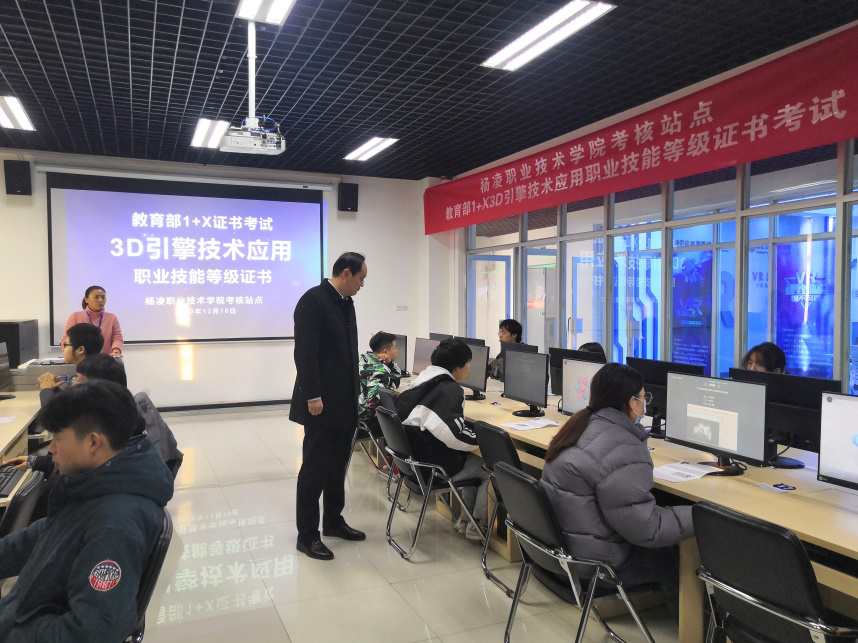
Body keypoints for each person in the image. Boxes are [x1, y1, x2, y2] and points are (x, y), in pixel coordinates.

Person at [0, 380, 174, 641]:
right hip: (21, 614)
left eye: (58, 438)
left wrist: (15, 635)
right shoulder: (95, 485)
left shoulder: (114, 525)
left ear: (93, 442)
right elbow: (40, 537)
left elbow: (93, 630)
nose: (51, 449)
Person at [540, 363, 693, 618]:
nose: (644, 403)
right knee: (672, 557)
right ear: (632, 403)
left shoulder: (579, 426)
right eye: (643, 397)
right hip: (594, 564)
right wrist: (700, 516)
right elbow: (648, 530)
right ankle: (692, 628)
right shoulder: (624, 447)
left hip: (556, 553)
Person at [291, 251, 368, 561]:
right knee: (315, 469)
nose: (362, 284)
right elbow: (305, 353)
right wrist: (312, 396)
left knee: (338, 466)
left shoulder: (346, 303)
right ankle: (307, 535)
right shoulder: (313, 301)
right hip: (320, 403)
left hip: (344, 402)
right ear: (346, 273)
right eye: (361, 278)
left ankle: (333, 521)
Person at [396, 338, 489, 541]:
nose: (470, 367)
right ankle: (477, 525)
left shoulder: (422, 382)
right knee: (489, 467)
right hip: (432, 469)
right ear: (456, 367)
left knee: (473, 458)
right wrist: (484, 440)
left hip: (412, 464)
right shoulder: (448, 390)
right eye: (467, 363)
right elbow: (454, 436)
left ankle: (465, 520)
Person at [37, 323, 104, 402]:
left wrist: (45, 390)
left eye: (65, 344)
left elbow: (54, 410)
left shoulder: (86, 380)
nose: (63, 348)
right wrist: (54, 388)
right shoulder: (86, 373)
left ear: (80, 350)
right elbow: (68, 401)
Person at [359, 331, 402, 437]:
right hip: (365, 423)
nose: (397, 351)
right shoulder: (380, 368)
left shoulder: (364, 359)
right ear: (385, 351)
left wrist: (389, 364)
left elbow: (394, 383)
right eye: (395, 348)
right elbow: (373, 400)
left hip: (352, 418)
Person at [62, 285, 123, 356]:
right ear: (86, 300)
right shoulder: (75, 316)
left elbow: (117, 337)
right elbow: (66, 339)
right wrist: (69, 355)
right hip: (80, 359)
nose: (100, 300)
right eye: (96, 297)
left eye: (103, 297)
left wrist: (116, 352)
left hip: (104, 359)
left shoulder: (111, 318)